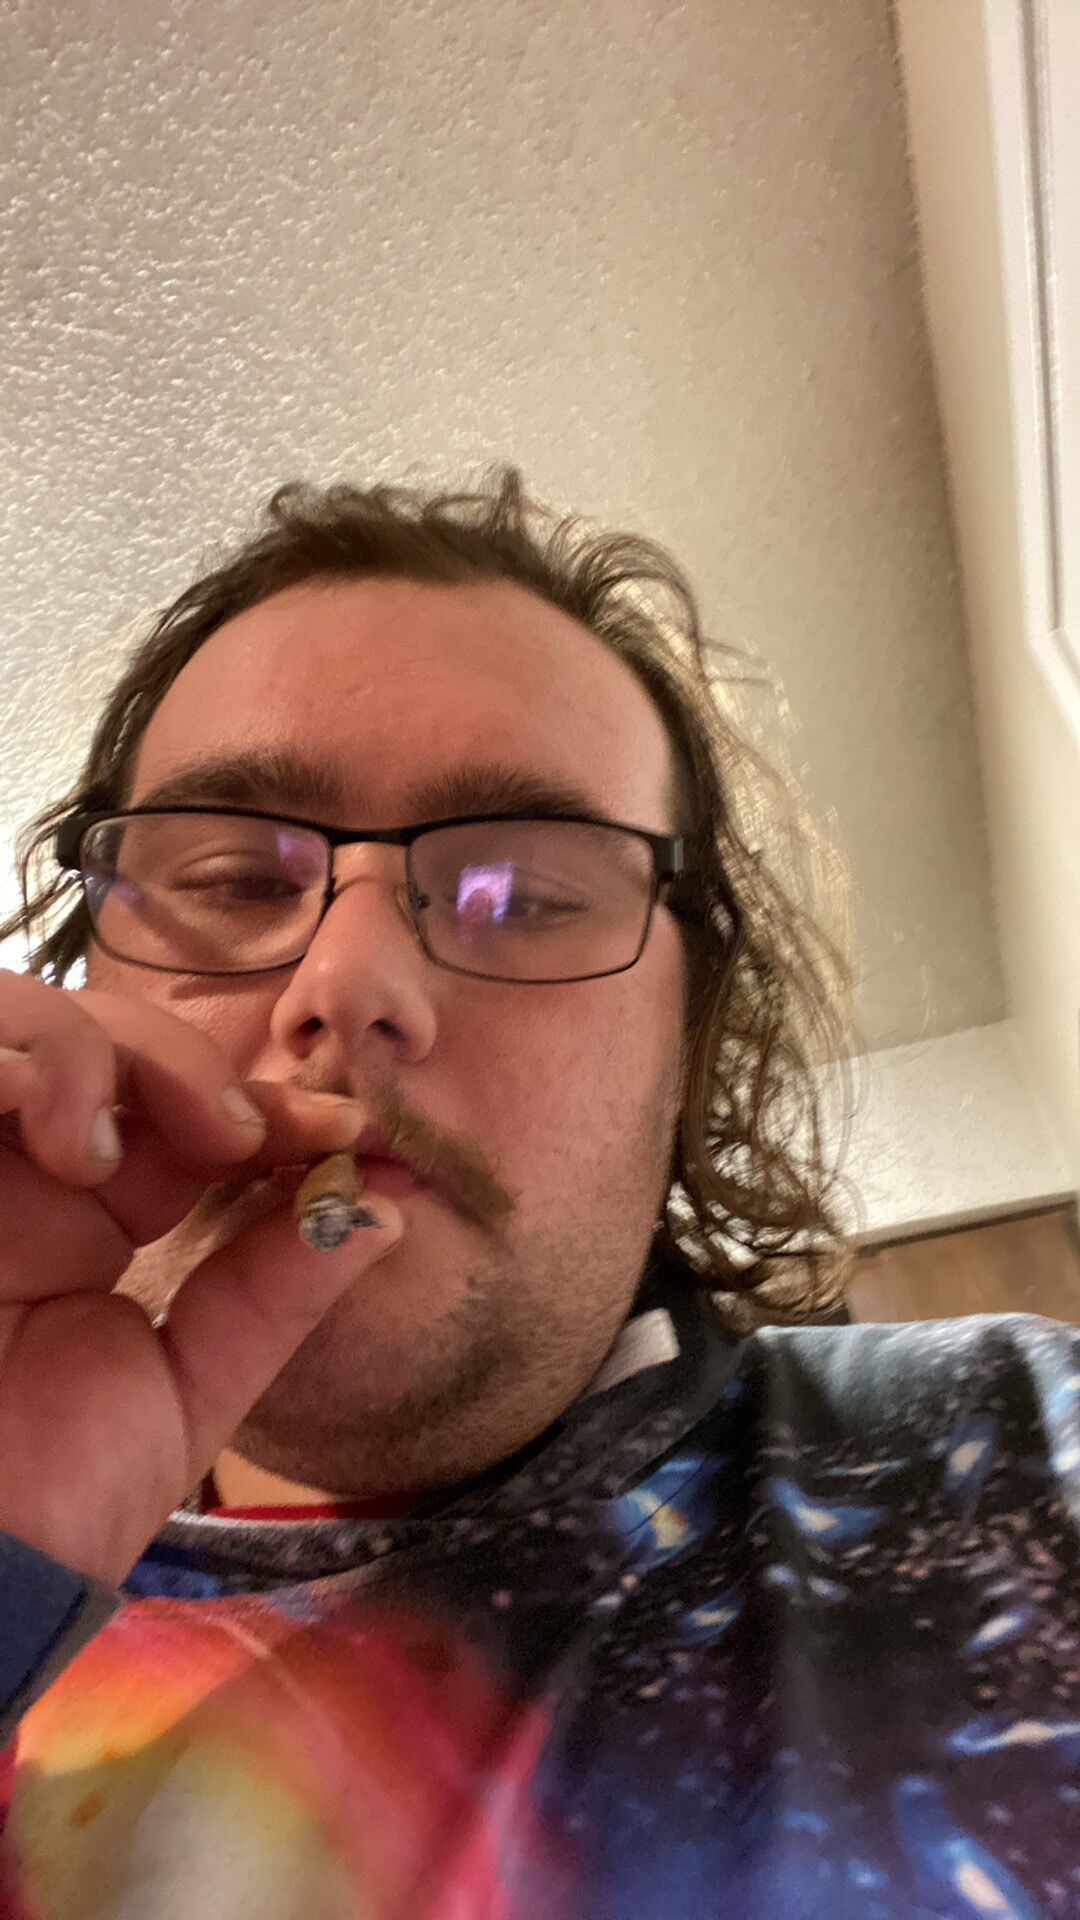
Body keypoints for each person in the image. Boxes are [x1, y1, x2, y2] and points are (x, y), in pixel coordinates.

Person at [0, 468, 1074, 1918]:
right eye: (238, 880)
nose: (347, 985)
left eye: (522, 894)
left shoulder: (1027, 1455)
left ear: (687, 1057)